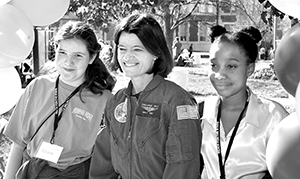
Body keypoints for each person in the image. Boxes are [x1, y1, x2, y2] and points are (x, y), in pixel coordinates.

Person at [89, 13, 202, 179]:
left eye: (137, 49)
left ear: (155, 52)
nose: (127, 57)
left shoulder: (178, 101)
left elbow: (183, 168)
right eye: (122, 49)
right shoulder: (117, 101)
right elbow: (103, 162)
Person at [3, 21, 116, 179]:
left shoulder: (105, 100)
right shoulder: (37, 86)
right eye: (62, 52)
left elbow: (109, 157)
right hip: (32, 173)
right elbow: (18, 144)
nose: (68, 62)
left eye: (78, 55)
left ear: (92, 57)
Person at [200, 27, 289, 178]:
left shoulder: (274, 116)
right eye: (214, 65)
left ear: (249, 69)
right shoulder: (200, 112)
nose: (219, 75)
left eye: (231, 66)